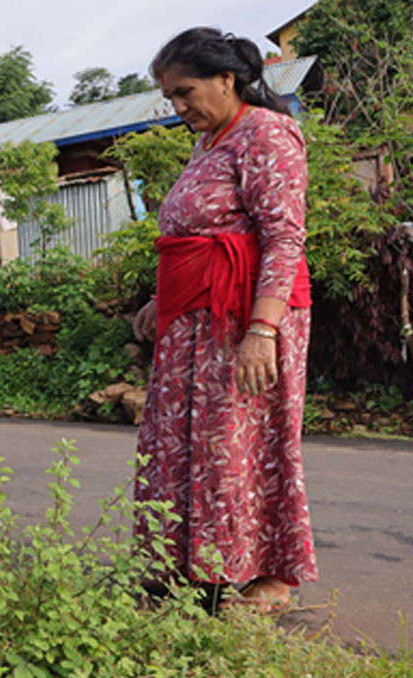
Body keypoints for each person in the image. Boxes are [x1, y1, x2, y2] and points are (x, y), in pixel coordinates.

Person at [133, 28, 316, 612]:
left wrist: (261, 333)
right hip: (197, 319)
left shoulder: (267, 134)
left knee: (240, 445)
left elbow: (284, 238)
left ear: (226, 80)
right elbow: (197, 237)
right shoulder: (210, 143)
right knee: (184, 445)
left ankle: (269, 578)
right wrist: (165, 300)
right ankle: (194, 566)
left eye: (186, 93)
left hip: (247, 320)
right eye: (171, 99)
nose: (179, 107)